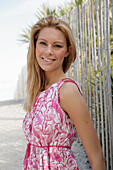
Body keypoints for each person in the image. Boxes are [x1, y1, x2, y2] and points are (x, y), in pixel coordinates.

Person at [22, 15, 106, 170]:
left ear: (68, 51)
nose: (48, 51)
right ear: (34, 46)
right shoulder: (39, 90)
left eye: (57, 46)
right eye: (43, 43)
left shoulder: (67, 91)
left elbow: (96, 157)